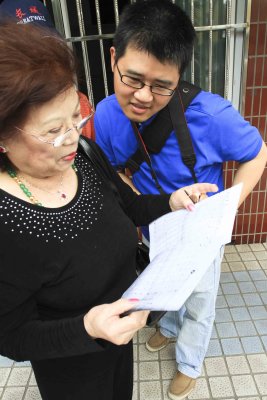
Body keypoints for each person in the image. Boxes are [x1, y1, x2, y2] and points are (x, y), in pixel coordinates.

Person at [0, 21, 218, 400]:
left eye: (75, 117)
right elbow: (10, 335)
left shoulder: (82, 155)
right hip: (71, 364)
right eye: (53, 130)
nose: (72, 137)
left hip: (121, 331)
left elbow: (128, 205)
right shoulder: (7, 221)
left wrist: (171, 200)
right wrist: (87, 328)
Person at [94, 1, 267, 399]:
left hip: (200, 230)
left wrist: (225, 212)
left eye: (161, 86)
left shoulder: (210, 115)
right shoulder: (104, 115)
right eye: (132, 78)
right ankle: (170, 327)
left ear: (179, 77)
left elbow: (257, 153)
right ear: (113, 58)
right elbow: (116, 172)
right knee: (166, 282)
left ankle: (190, 361)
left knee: (201, 297)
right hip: (153, 224)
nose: (142, 96)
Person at [0, 0, 95, 140]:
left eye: (51, 47)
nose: (45, 59)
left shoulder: (80, 104)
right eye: (29, 53)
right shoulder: (6, 115)